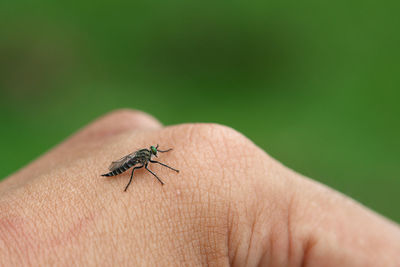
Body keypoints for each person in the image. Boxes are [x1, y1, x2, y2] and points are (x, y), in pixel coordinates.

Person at [0, 109, 399, 266]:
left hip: (124, 162)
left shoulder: (149, 151)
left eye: (154, 152)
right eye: (153, 152)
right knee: (136, 173)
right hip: (119, 168)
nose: (154, 154)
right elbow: (143, 165)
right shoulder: (141, 159)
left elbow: (151, 157)